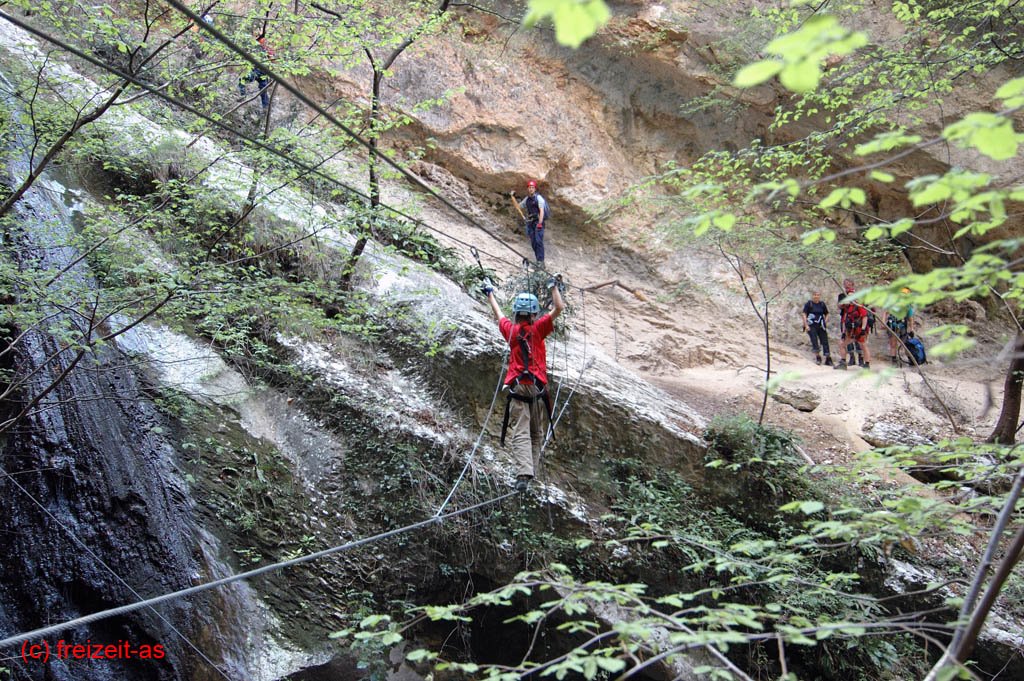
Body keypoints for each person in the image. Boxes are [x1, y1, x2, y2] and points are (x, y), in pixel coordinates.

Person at [484, 276, 564, 491]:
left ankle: (524, 474)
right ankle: (529, 473)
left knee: (521, 431)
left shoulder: (510, 330)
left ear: (517, 313)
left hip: (518, 387)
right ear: (533, 313)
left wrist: (490, 293)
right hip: (537, 388)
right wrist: (554, 286)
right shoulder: (538, 328)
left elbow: (498, 314)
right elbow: (558, 307)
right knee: (536, 433)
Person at [510, 180, 548, 265]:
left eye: (532, 187)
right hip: (531, 223)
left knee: (538, 241)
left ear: (535, 189)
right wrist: (513, 198)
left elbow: (541, 211)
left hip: (538, 222)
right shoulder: (527, 199)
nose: (531, 189)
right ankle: (538, 260)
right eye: (529, 187)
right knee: (534, 242)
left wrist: (540, 223)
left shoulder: (538, 198)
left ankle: (541, 262)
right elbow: (518, 206)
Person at [834, 281, 871, 369]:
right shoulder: (847, 308)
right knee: (842, 344)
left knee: (863, 345)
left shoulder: (859, 306)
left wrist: (862, 330)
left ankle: (867, 364)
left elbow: (864, 317)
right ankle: (843, 363)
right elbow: (844, 320)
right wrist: (843, 332)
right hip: (851, 331)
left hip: (858, 329)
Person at [238, 33, 275, 109]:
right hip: (259, 71)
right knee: (243, 80)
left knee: (263, 91)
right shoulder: (256, 47)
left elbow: (273, 60)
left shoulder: (265, 49)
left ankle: (265, 108)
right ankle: (243, 96)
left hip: (261, 72)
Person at [884, 287, 915, 366]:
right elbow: (910, 319)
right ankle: (910, 360)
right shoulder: (907, 305)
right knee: (904, 344)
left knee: (894, 344)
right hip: (899, 326)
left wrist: (883, 322)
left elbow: (886, 312)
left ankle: (894, 361)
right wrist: (911, 329)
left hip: (894, 326)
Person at [801, 291, 831, 365]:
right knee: (814, 340)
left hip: (821, 325)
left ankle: (828, 358)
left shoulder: (822, 304)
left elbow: (827, 313)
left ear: (820, 296)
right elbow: (804, 314)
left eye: (818, 295)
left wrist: (825, 322)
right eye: (815, 295)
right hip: (811, 325)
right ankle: (818, 357)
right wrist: (806, 325)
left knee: (825, 340)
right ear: (812, 295)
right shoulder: (809, 304)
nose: (816, 296)